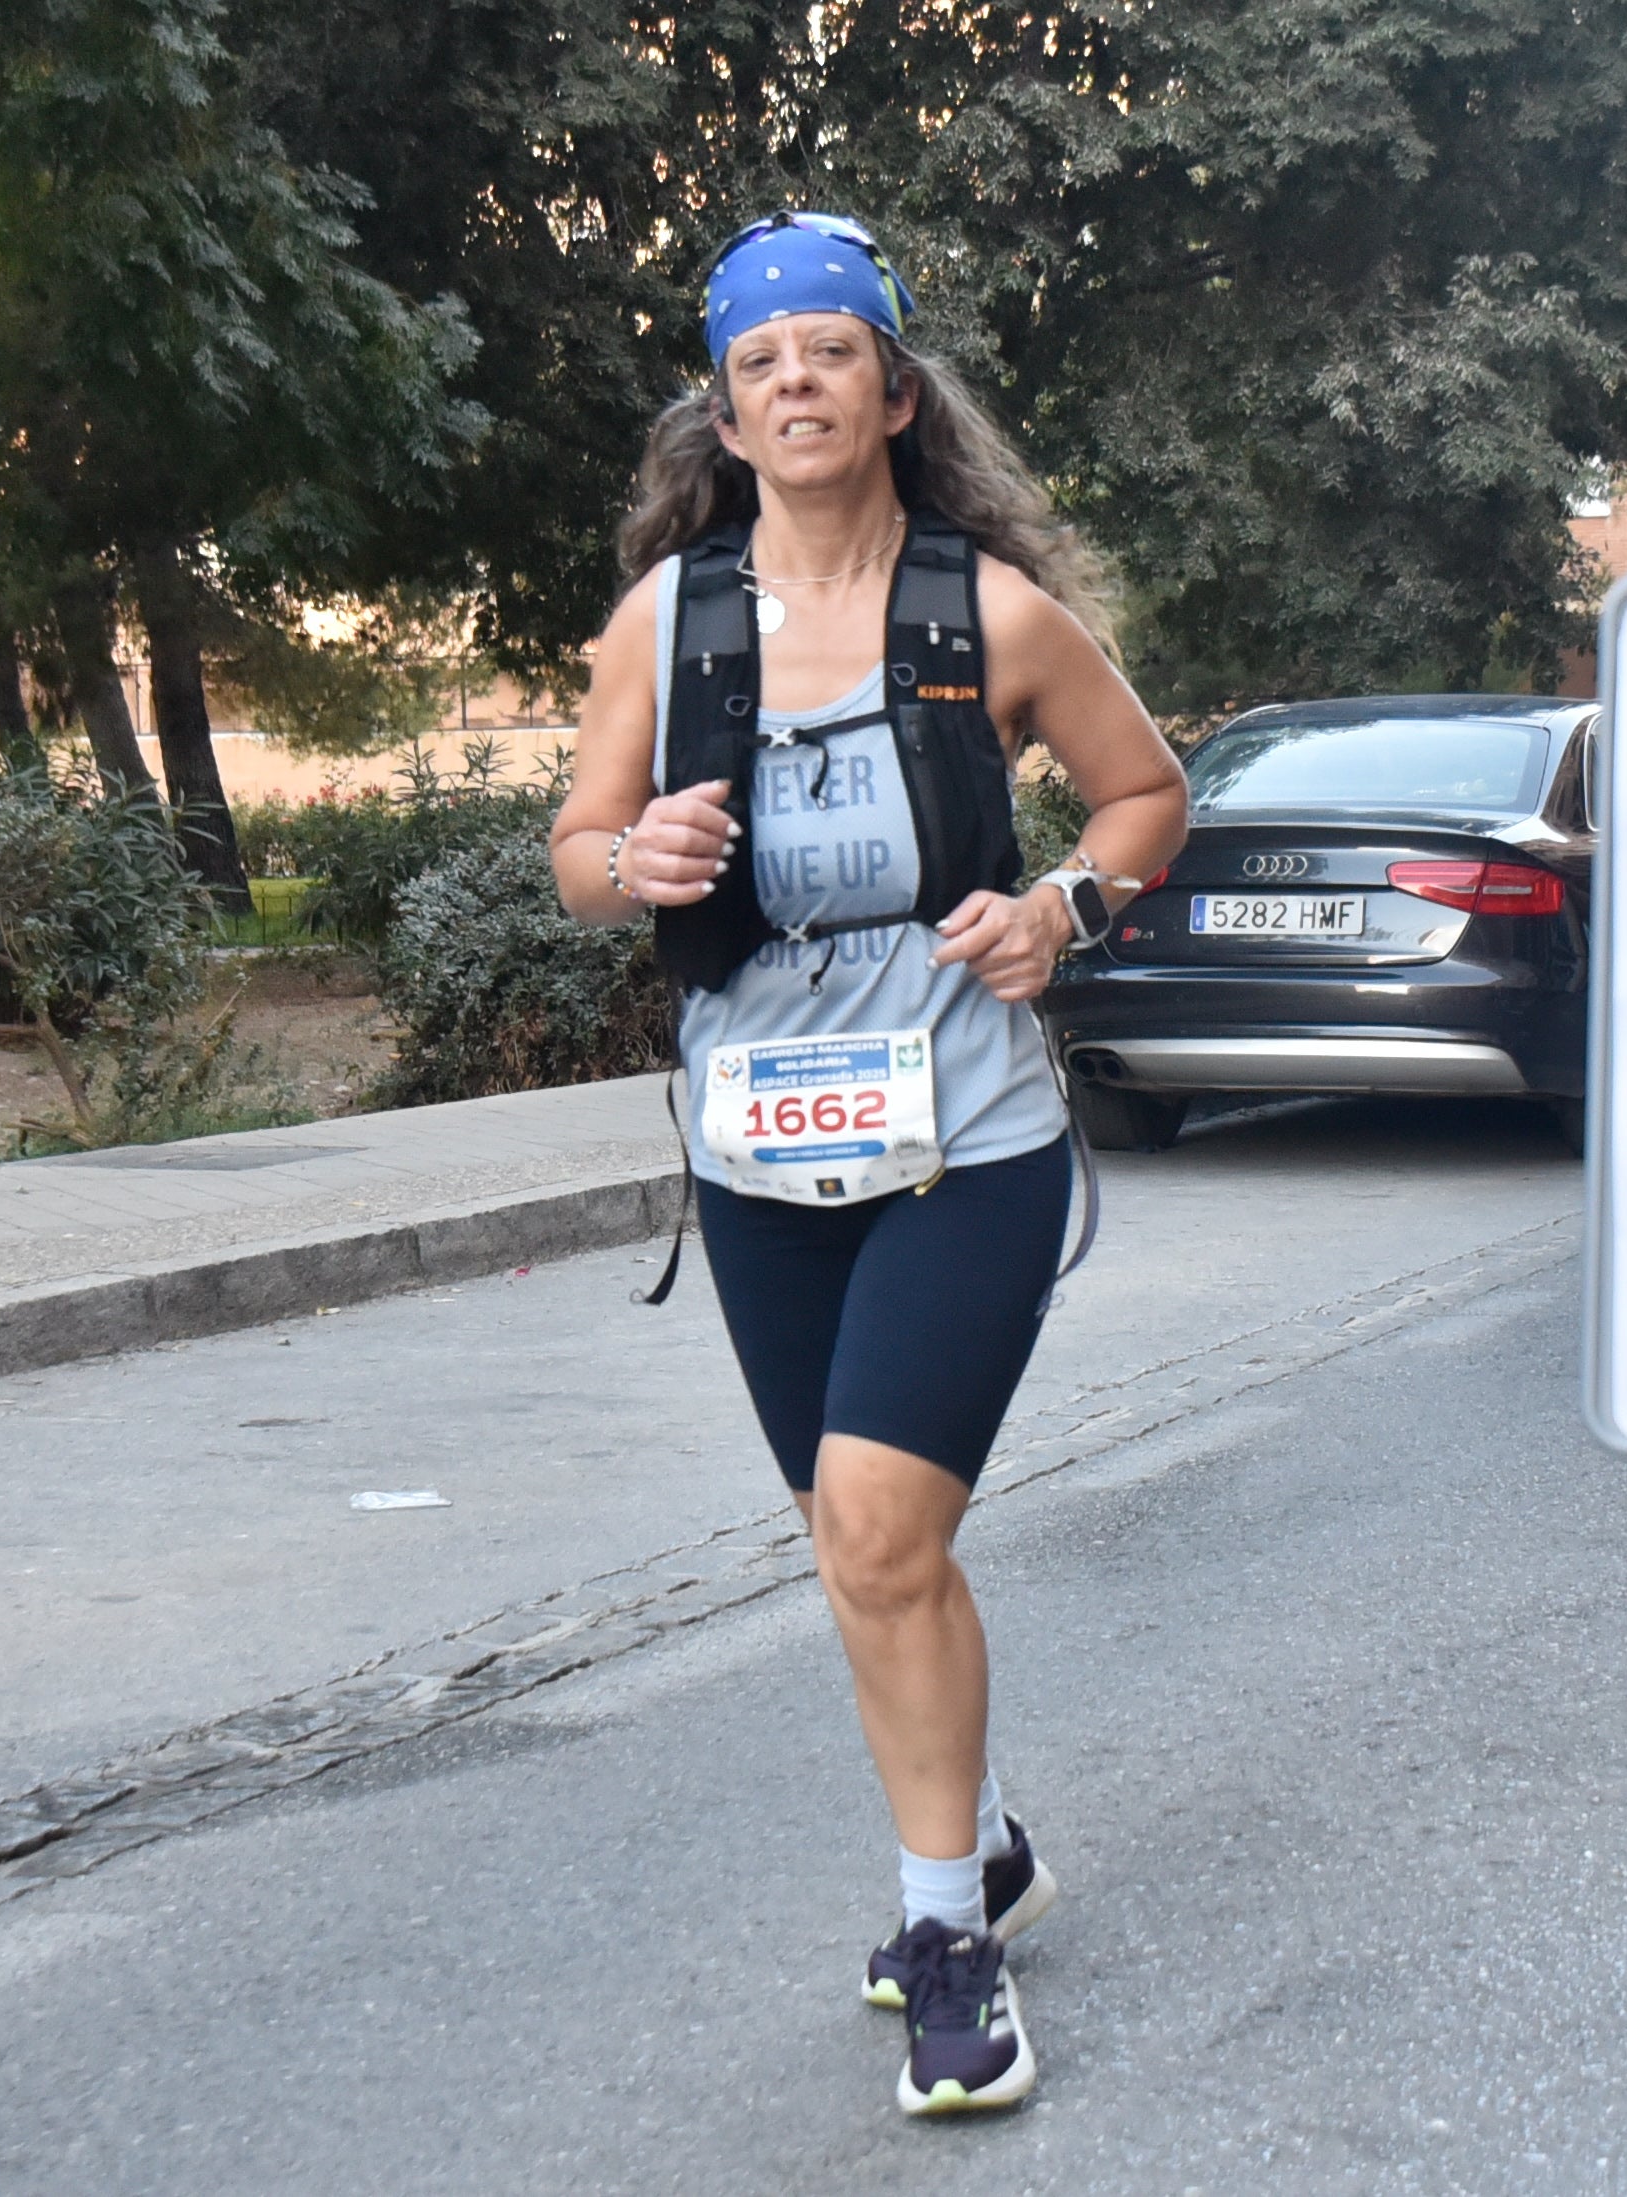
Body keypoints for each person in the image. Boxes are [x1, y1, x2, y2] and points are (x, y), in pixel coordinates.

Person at [548, 211, 1189, 2118]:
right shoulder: (668, 626)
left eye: (829, 350)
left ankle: (946, 1936)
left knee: (886, 1535)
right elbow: (578, 849)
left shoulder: (990, 613)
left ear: (894, 393)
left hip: (964, 1139)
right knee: (855, 1543)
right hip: (757, 1155)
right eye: (760, 362)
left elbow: (1148, 793)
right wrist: (633, 861)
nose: (796, 382)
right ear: (727, 415)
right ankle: (980, 1842)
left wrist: (1063, 905)